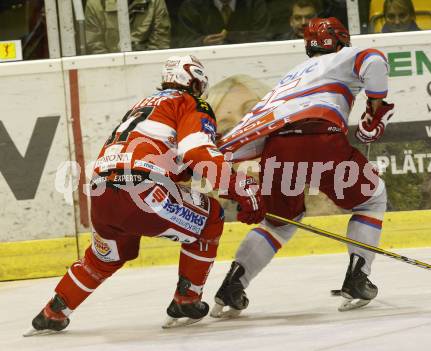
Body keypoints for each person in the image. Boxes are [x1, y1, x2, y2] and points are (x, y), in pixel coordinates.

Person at [25, 55, 265, 335]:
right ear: (197, 81)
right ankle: (187, 299)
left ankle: (54, 311)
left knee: (105, 257)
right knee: (211, 217)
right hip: (142, 188)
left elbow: (168, 158)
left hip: (101, 189)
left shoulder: (143, 105)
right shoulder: (191, 103)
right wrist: (241, 188)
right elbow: (198, 152)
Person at [210, 17, 394, 317]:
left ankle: (232, 286)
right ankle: (357, 277)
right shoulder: (343, 56)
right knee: (372, 199)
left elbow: (253, 128)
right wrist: (376, 107)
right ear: (340, 39)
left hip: (278, 147)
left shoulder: (291, 76)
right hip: (321, 140)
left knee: (279, 221)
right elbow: (374, 60)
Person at [85, 0, 171, 54]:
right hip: (111, 70)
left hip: (147, 67)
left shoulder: (155, 2)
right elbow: (96, 47)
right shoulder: (95, 4)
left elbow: (160, 45)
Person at [174, 0, 270, 48]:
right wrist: (202, 42)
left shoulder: (254, 3)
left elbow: (265, 37)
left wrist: (232, 36)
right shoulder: (191, 6)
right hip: (205, 64)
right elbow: (181, 41)